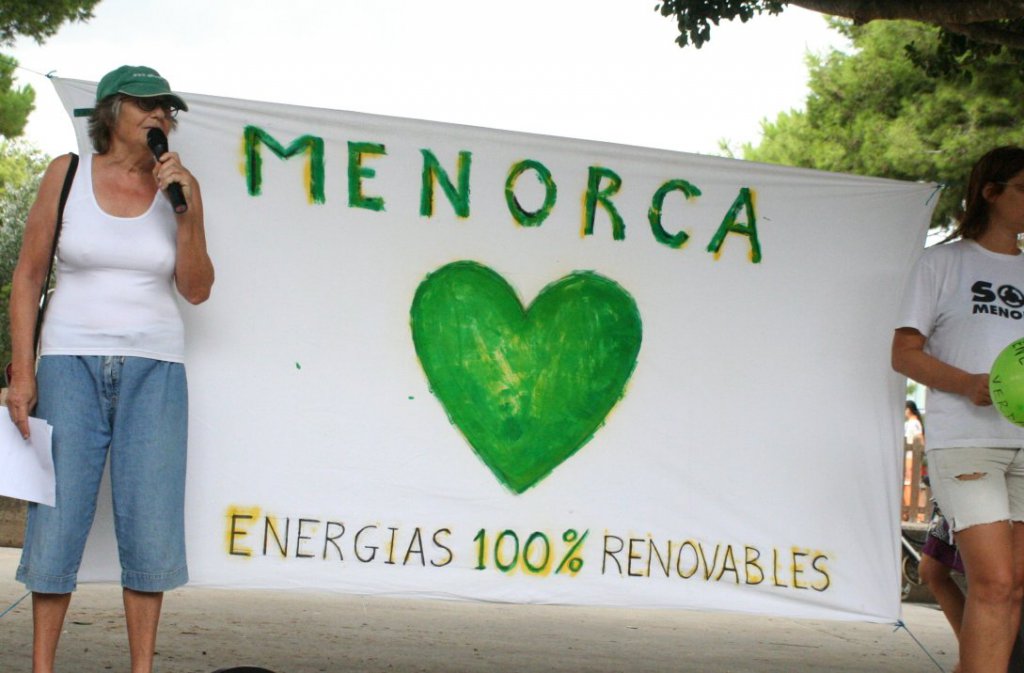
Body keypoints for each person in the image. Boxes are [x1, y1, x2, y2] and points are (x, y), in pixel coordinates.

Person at [5, 65, 214, 673]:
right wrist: (23, 373)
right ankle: (42, 666)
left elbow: (197, 289)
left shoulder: (181, 186)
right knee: (57, 519)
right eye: (146, 104)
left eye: (167, 109)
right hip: (68, 365)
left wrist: (187, 213)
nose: (160, 116)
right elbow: (27, 275)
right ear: (109, 111)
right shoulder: (65, 175)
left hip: (156, 369)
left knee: (150, 523)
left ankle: (140, 669)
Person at [892, 145, 1024, 673]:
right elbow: (904, 353)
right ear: (989, 193)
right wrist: (968, 384)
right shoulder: (942, 262)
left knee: (1011, 588)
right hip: (967, 443)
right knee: (992, 581)